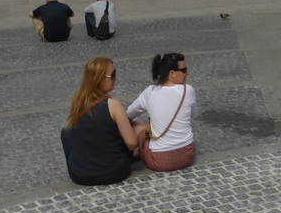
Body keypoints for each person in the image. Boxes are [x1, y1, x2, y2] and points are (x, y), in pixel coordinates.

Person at [61, 57, 138, 185]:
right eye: (112, 75)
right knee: (138, 127)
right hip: (112, 172)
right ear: (100, 78)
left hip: (79, 174)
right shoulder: (112, 104)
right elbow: (131, 143)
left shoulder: (77, 101)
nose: (116, 78)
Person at [127, 52, 198, 172]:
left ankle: (136, 152)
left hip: (160, 160)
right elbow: (193, 114)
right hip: (187, 156)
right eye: (184, 70)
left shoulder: (150, 92)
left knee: (136, 124)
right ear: (172, 73)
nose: (187, 73)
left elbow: (129, 114)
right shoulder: (188, 90)